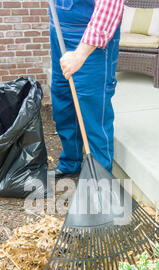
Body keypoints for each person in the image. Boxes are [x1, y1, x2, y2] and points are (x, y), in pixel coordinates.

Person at [49, 0, 125, 178]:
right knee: (64, 102)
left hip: (92, 42)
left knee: (93, 112)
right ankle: (70, 163)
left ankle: (101, 181)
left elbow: (109, 6)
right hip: (59, 32)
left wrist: (80, 54)